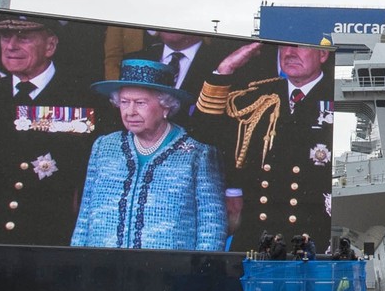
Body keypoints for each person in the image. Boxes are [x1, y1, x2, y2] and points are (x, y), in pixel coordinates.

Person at [0, 16, 105, 246]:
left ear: (50, 45)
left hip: (42, 240)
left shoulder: (85, 99)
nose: (11, 46)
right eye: (5, 37)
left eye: (24, 38)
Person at [68, 60, 226, 251]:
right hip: (103, 269)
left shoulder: (198, 152)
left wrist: (199, 272)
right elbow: (85, 216)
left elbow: (211, 225)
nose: (130, 112)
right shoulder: (104, 146)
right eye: (124, 102)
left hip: (169, 274)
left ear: (166, 106)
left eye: (140, 103)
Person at [197, 41, 336, 248]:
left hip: (313, 238)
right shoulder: (261, 96)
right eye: (284, 47)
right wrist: (225, 70)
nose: (289, 53)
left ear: (323, 55)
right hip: (259, 236)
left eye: (299, 47)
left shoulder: (337, 96)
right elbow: (203, 132)